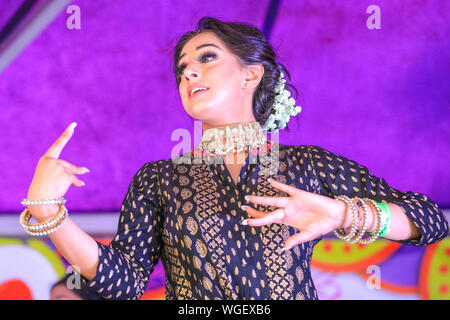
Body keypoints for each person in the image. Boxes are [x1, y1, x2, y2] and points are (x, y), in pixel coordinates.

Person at [23, 17, 448, 300]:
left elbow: (431, 222)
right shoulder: (158, 179)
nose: (189, 72)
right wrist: (50, 213)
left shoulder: (308, 166)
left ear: (251, 73)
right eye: (182, 68)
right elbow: (126, 283)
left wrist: (341, 215)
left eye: (206, 58)